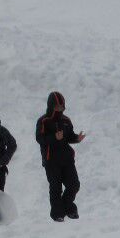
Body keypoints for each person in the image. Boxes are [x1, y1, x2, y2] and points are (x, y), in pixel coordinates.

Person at [35, 91, 85, 222]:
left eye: (62, 106)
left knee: (74, 185)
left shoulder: (66, 120)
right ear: (51, 106)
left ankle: (68, 207)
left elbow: (69, 136)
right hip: (51, 160)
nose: (60, 109)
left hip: (67, 159)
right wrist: (54, 138)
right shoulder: (43, 121)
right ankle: (57, 213)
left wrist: (77, 138)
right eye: (57, 106)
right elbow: (39, 138)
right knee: (55, 188)